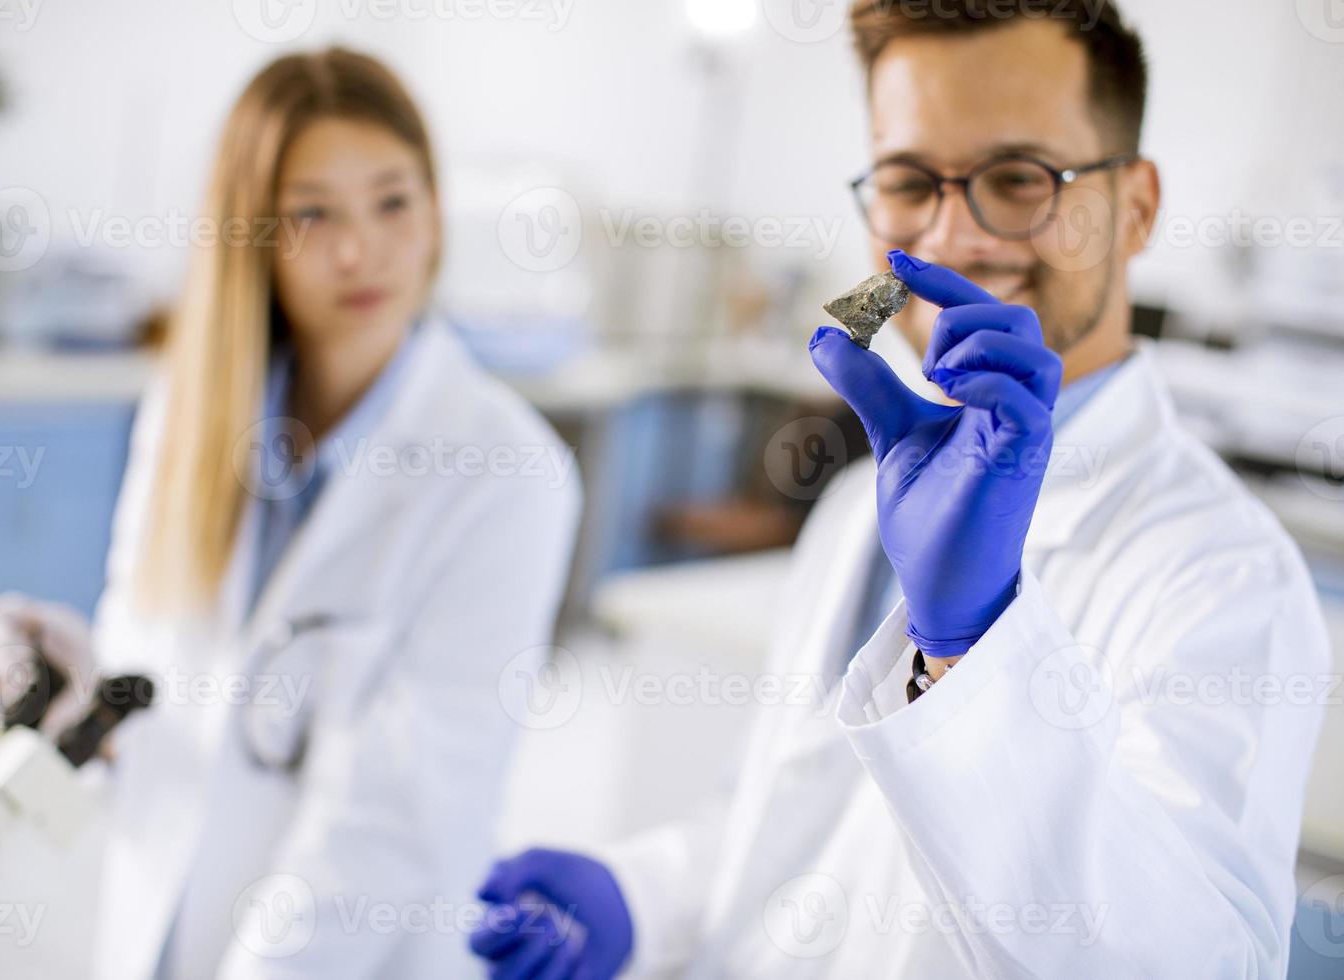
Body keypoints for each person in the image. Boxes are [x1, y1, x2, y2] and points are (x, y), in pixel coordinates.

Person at [469, 3, 1328, 977]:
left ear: (1134, 205)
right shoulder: (858, 511)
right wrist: (640, 899)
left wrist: (977, 641)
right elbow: (790, 837)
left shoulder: (1223, 575)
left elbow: (1189, 963)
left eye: (1018, 177)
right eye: (910, 180)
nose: (955, 233)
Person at [0, 48, 581, 978]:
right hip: (155, 921)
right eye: (311, 211)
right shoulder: (192, 408)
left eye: (393, 201)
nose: (358, 249)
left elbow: (391, 820)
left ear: (436, 214)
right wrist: (72, 688)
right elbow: (159, 683)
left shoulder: (510, 474)